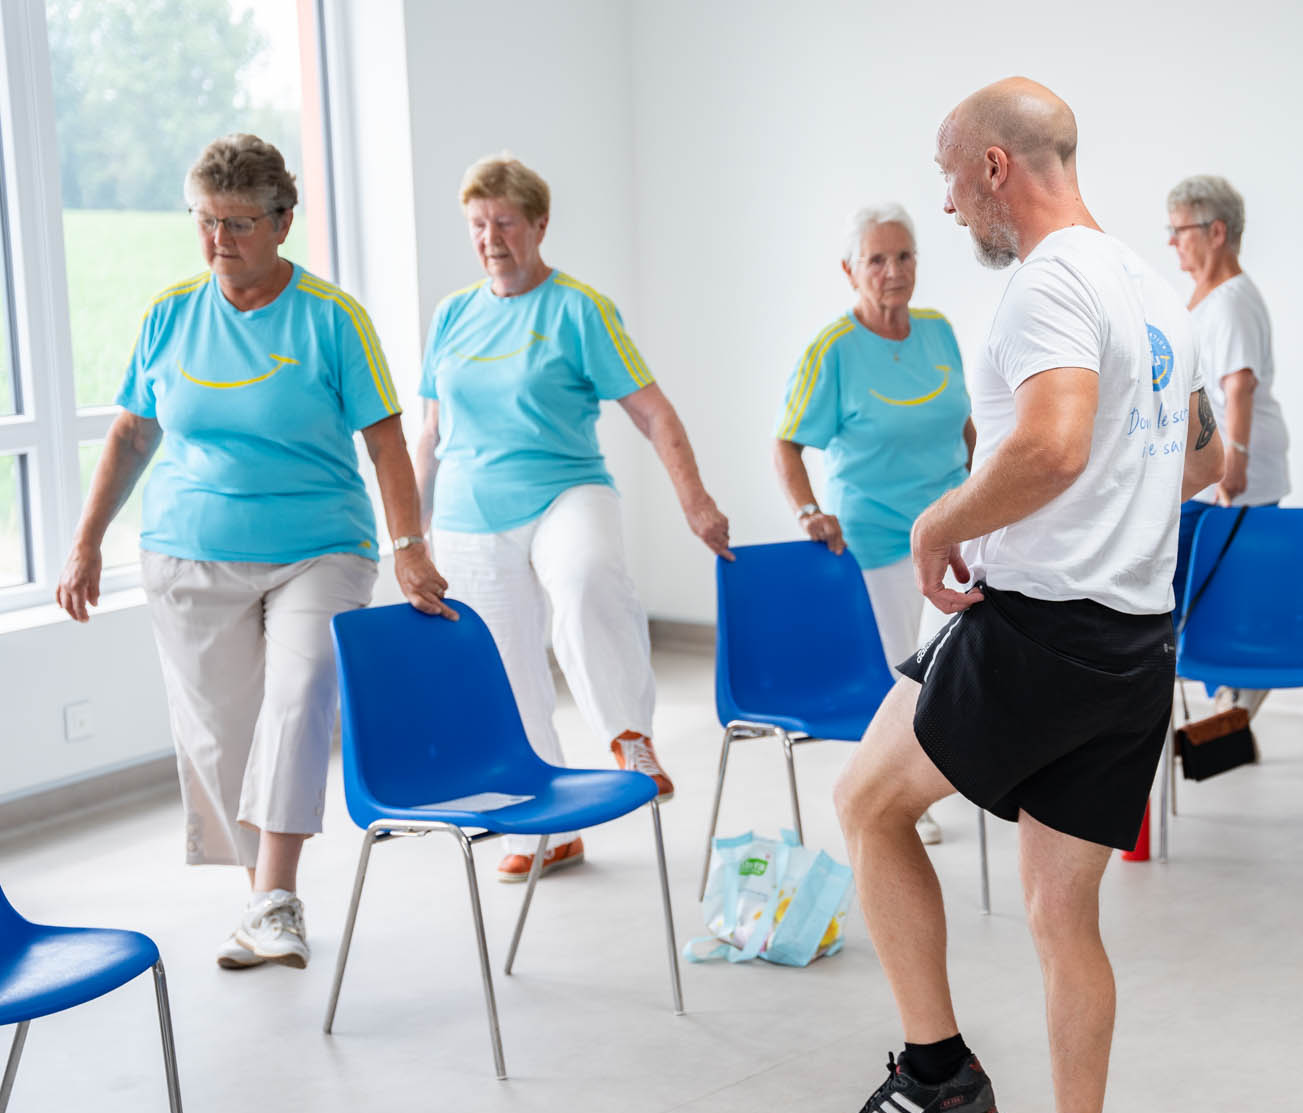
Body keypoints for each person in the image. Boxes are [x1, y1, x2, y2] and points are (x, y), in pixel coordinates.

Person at [822, 77, 1221, 1113]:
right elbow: (1196, 462)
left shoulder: (1047, 281)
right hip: (1134, 645)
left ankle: (936, 1069)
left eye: (951, 180)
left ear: (997, 166)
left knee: (864, 802)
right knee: (1061, 914)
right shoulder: (1156, 288)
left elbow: (1049, 445)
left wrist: (943, 521)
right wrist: (1098, 508)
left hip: (1035, 631)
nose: (948, 211)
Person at [55, 134, 451, 970]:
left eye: (237, 223)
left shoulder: (332, 319)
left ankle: (276, 895)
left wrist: (410, 550)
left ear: (282, 222)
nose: (218, 242)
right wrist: (87, 542)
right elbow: (131, 433)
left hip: (321, 545)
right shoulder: (169, 314)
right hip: (188, 551)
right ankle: (264, 905)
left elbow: (385, 441)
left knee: (300, 689)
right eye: (204, 222)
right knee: (221, 735)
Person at [413, 154, 732, 883]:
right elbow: (428, 434)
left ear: (539, 224)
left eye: (505, 222)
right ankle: (541, 820)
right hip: (467, 512)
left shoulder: (580, 308)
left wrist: (694, 498)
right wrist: (407, 539)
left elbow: (652, 411)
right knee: (507, 663)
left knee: (587, 578)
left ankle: (628, 735)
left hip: (565, 488)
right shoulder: (452, 315)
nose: (491, 237)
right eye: (477, 224)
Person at [773, 203, 975, 845]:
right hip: (879, 536)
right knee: (901, 677)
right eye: (878, 260)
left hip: (954, 528)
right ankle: (902, 797)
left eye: (904, 256)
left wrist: (989, 496)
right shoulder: (834, 348)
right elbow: (786, 444)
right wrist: (809, 510)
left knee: (962, 665)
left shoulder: (938, 331)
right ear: (850, 270)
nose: (893, 271)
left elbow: (966, 425)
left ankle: (946, 773)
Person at [1165, 173, 1293, 718]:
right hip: (1207, 474)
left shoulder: (1233, 301)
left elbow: (1237, 387)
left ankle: (1231, 701)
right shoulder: (1207, 298)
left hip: (1228, 481)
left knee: (1183, 597)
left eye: (1180, 230)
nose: (1171, 241)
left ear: (1216, 232)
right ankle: (1226, 706)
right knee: (1203, 596)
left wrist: (1232, 466)